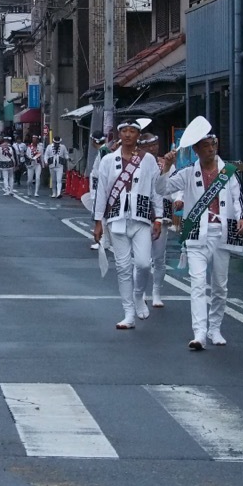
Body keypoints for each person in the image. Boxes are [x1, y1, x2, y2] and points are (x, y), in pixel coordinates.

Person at [158, 119, 243, 350]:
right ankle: (199, 333)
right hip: (197, 231)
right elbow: (162, 189)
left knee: (220, 285)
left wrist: (242, 218)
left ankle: (215, 327)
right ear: (196, 150)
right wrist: (166, 169)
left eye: (212, 144)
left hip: (223, 230)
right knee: (198, 283)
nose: (211, 148)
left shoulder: (229, 172)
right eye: (205, 145)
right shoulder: (188, 173)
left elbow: (238, 200)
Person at [93, 119, 163, 329]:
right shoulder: (108, 160)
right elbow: (102, 192)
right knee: (123, 268)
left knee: (142, 263)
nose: (128, 134)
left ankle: (138, 295)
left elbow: (156, 189)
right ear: (119, 134)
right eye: (124, 131)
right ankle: (128, 314)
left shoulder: (148, 159)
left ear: (138, 135)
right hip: (117, 218)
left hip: (141, 216)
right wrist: (98, 222)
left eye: (133, 131)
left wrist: (158, 217)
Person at [137, 132, 172, 309]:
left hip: (162, 213)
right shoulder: (134, 163)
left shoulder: (166, 164)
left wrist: (178, 198)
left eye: (156, 145)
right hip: (141, 214)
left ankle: (157, 292)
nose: (153, 148)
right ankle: (141, 291)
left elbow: (174, 185)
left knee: (159, 257)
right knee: (142, 258)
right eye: (149, 146)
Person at [86, 131, 109, 250]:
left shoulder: (103, 151)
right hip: (98, 185)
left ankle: (103, 240)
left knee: (100, 213)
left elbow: (103, 172)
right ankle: (104, 238)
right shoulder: (103, 151)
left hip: (100, 186)